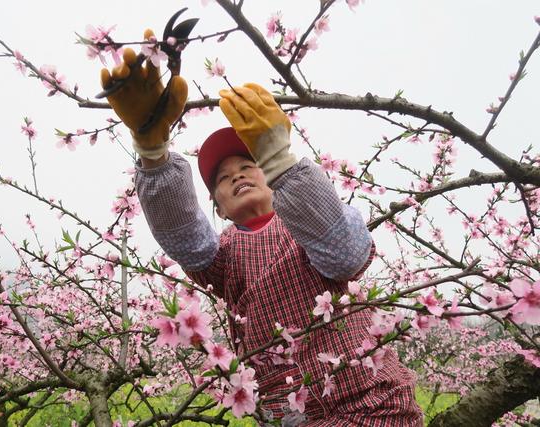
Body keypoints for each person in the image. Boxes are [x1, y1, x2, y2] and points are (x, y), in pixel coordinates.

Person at [100, 30, 423, 426]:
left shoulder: (306, 222)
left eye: (247, 165)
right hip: (290, 417)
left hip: (371, 406)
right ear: (217, 208)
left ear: (272, 177)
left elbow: (346, 255)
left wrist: (281, 161)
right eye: (222, 178)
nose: (235, 176)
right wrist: (152, 154)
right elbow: (184, 235)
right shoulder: (223, 255)